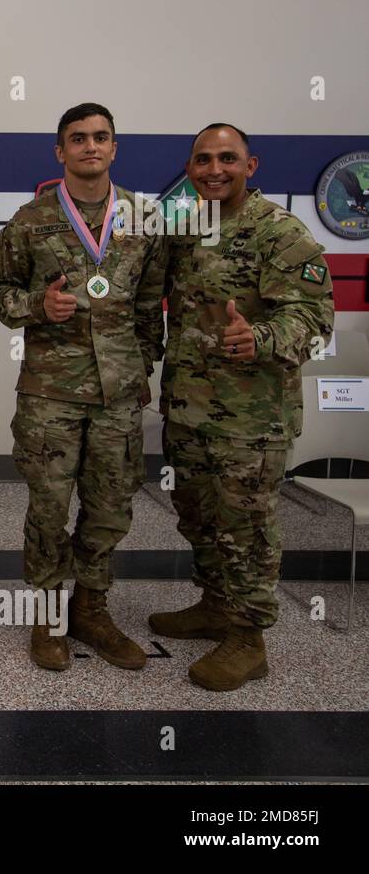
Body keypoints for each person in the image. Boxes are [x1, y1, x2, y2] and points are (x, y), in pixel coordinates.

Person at [152, 123, 335, 691]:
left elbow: (314, 321)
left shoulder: (280, 233)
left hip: (253, 421)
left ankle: (249, 638)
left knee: (247, 528)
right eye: (203, 159)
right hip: (188, 410)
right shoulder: (186, 231)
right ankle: (214, 607)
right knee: (199, 517)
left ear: (250, 168)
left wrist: (261, 337)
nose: (214, 169)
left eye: (227, 158)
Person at [0, 103, 167, 672]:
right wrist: (39, 305)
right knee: (48, 508)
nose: (90, 146)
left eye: (101, 137)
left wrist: (142, 369)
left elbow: (149, 305)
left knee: (111, 507)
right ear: (60, 151)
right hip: (51, 394)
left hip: (118, 395)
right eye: (78, 139)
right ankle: (48, 617)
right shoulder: (31, 220)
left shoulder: (144, 219)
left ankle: (92, 607)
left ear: (114, 148)